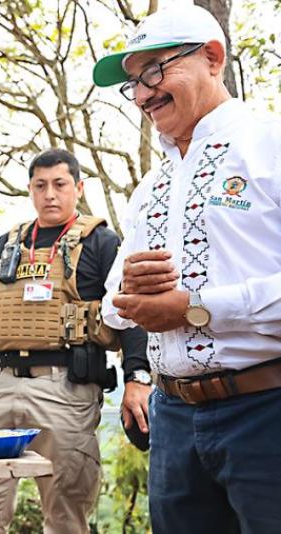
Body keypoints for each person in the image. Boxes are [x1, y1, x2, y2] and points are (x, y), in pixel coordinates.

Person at [93, 4, 281, 533]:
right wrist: (130, 294)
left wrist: (197, 307)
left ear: (213, 58)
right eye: (133, 82)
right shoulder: (150, 187)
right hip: (173, 418)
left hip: (267, 411)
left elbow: (191, 307)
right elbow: (112, 309)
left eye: (155, 71)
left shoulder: (269, 145)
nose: (142, 94)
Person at [0, 148, 149, 534]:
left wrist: (138, 376)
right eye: (40, 185)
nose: (50, 194)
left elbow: (130, 310)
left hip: (65, 388)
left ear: (78, 188)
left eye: (59, 184)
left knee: (66, 510)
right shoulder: (9, 243)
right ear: (31, 190)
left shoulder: (101, 242)